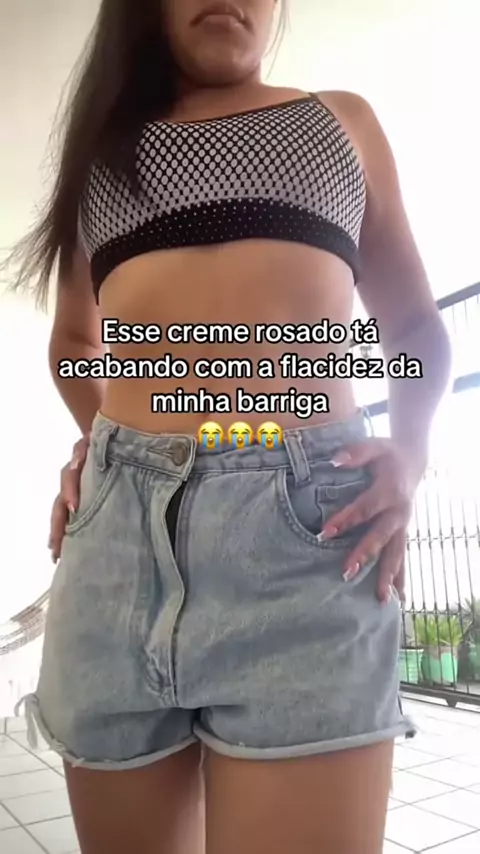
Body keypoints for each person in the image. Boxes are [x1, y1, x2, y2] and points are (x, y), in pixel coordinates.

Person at [9, 1, 451, 852]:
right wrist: (104, 443)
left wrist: (411, 451)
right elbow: (74, 342)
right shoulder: (103, 156)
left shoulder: (340, 124)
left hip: (310, 539)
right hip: (116, 551)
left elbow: (414, 329)